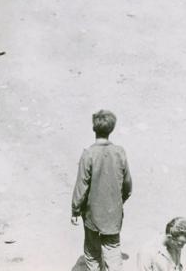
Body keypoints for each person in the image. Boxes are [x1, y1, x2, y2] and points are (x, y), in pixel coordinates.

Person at [71, 109, 133, 271]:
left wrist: (75, 210)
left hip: (92, 215)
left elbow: (81, 186)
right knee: (112, 250)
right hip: (113, 213)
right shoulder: (120, 152)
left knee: (92, 252)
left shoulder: (89, 154)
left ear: (94, 128)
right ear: (112, 129)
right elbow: (127, 185)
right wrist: (120, 201)